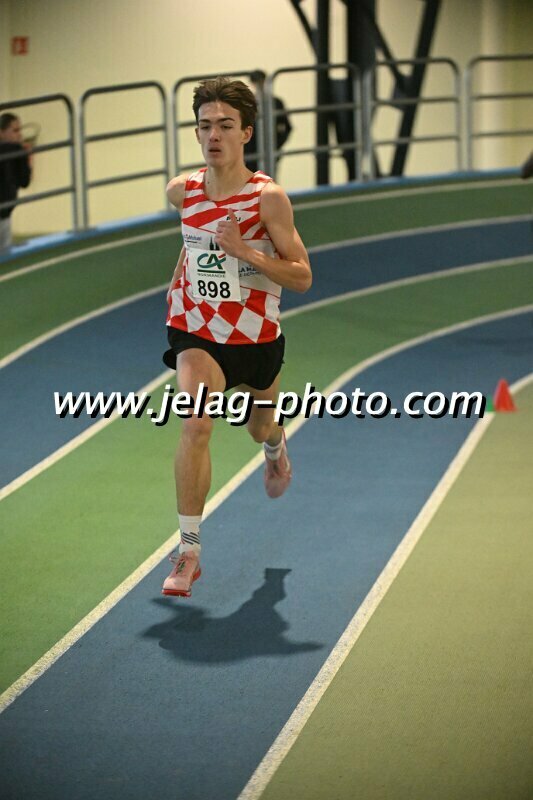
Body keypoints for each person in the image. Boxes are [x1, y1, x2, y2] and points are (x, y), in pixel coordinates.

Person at [162, 76, 311, 598]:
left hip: (255, 338)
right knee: (196, 422)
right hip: (196, 329)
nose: (213, 135)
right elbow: (193, 247)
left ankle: (275, 447)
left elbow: (301, 275)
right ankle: (188, 552)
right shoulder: (182, 191)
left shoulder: (267, 199)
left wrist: (247, 252)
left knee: (258, 426)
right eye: (205, 126)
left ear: (246, 132)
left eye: (225, 125)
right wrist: (182, 277)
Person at [244, 70, 292, 173]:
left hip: (271, 150)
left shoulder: (276, 103)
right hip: (251, 153)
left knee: (269, 181)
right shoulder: (247, 104)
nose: (259, 85)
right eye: (256, 82)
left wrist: (277, 144)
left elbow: (287, 127)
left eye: (261, 81)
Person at [0, 113, 32, 252]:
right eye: (15, 130)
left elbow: (24, 182)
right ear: (1, 133)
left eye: (20, 130)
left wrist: (24, 157)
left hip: (6, 215)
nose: (19, 135)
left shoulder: (17, 152)